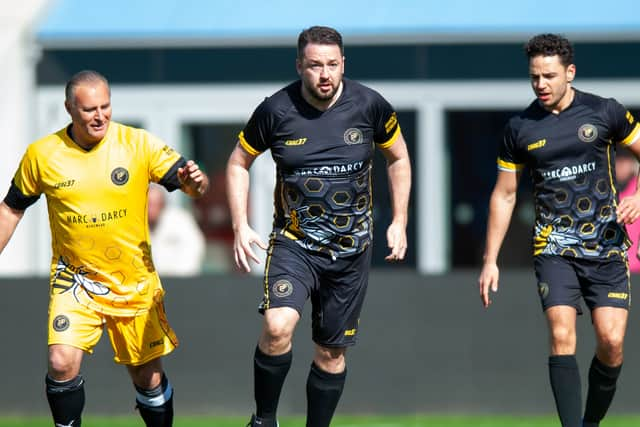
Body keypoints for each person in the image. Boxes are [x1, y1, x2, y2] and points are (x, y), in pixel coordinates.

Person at [0, 70, 209, 426]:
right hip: (75, 282)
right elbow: (10, 208)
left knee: (147, 377)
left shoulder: (137, 143)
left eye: (105, 106)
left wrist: (197, 184)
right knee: (61, 362)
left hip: (133, 283)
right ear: (69, 109)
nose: (100, 116)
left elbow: (192, 186)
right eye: (89, 109)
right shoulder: (42, 155)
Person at [226, 26, 411, 427]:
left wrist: (400, 220)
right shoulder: (276, 110)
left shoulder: (370, 105)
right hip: (294, 244)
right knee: (277, 326)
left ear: (343, 63)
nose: (324, 74)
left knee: (330, 353)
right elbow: (238, 162)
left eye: (332, 64)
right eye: (314, 66)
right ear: (300, 66)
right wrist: (240, 224)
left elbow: (398, 158)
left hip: (351, 252)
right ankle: (265, 419)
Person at [478, 34, 640, 427]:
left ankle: (590, 423)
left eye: (549, 76)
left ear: (570, 72)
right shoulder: (519, 129)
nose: (541, 85)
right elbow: (505, 194)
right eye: (534, 77)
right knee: (562, 334)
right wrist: (490, 260)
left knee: (612, 342)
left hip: (606, 247)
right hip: (554, 247)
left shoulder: (605, 112)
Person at [148, 183, 206, 276]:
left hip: (180, 280)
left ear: (162, 204)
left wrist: (179, 278)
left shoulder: (180, 220)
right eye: (148, 204)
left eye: (155, 204)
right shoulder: (133, 226)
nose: (151, 209)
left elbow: (195, 247)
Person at [615, 149, 640, 273]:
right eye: (618, 161)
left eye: (625, 161)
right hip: (616, 268)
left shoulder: (637, 190)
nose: (621, 166)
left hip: (637, 267)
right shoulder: (607, 190)